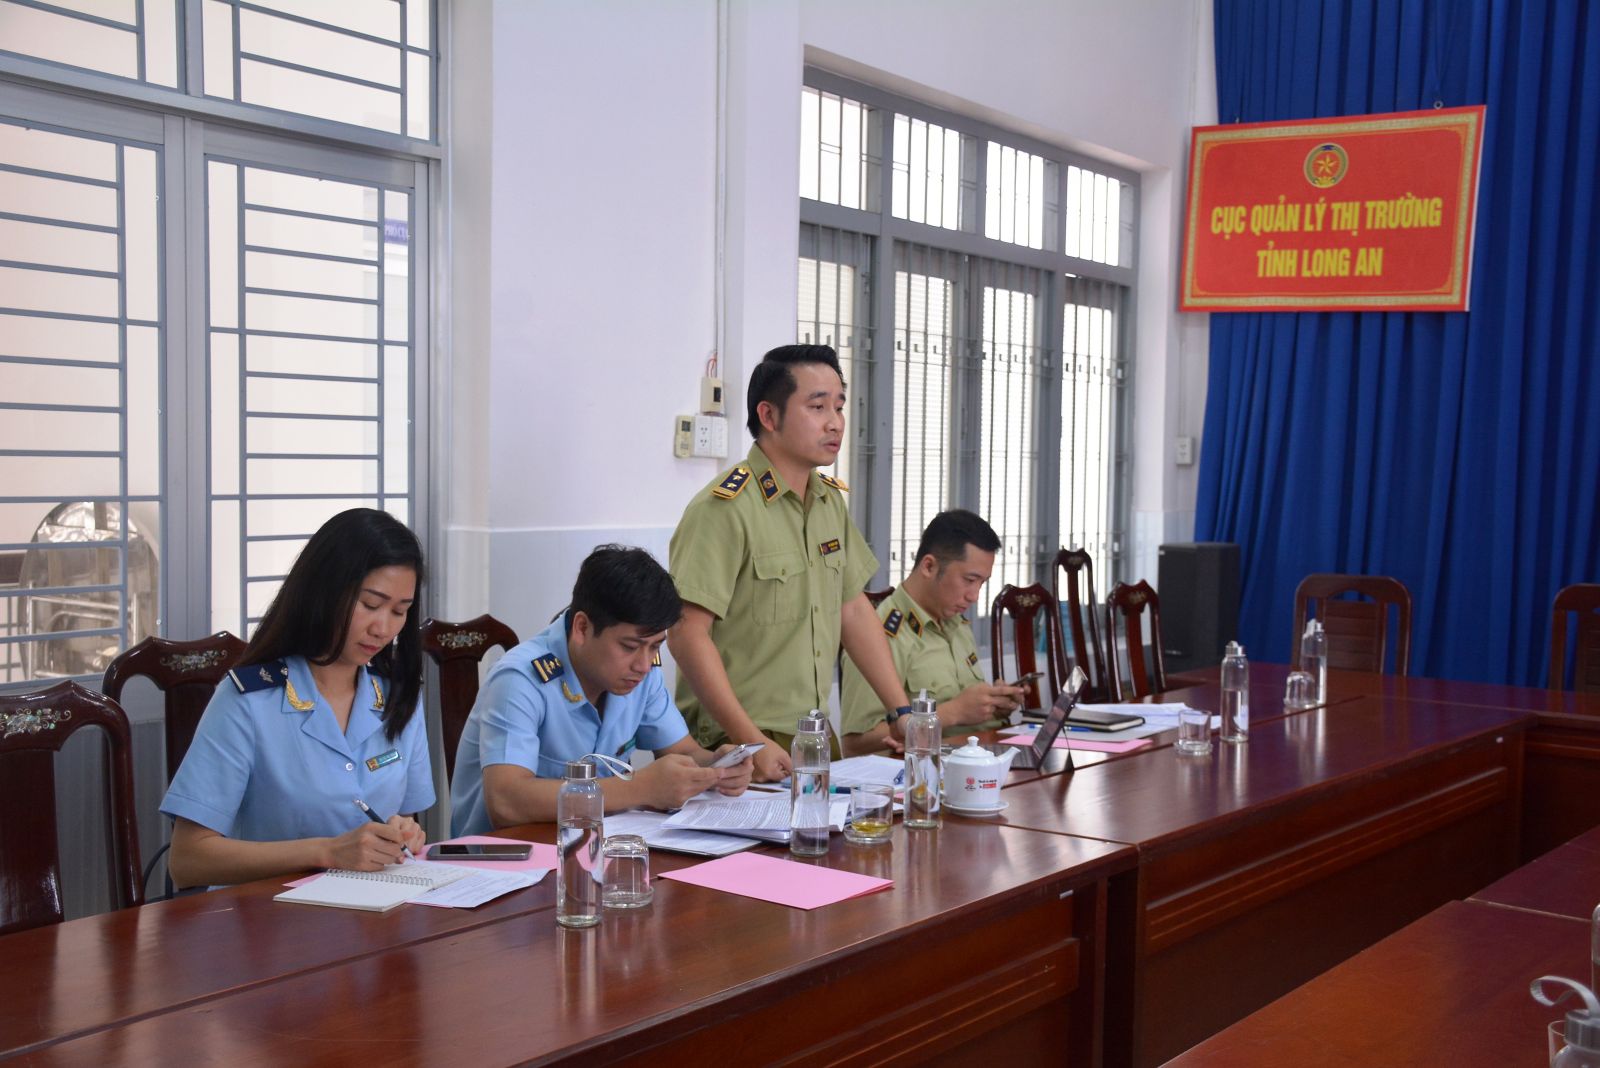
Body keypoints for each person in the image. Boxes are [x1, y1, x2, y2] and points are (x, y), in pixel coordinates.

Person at [668, 344, 912, 781]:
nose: (835, 421)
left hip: (813, 739)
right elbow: (686, 633)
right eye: (817, 406)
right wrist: (751, 742)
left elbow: (852, 608)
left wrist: (901, 711)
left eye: (839, 406)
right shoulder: (724, 508)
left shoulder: (828, 502)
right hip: (736, 748)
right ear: (769, 416)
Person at [161, 508, 432, 888]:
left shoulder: (398, 696)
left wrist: (404, 833)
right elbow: (188, 860)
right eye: (370, 605)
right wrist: (326, 852)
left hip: (375, 915)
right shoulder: (251, 700)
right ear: (325, 592)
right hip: (267, 923)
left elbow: (406, 816)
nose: (383, 628)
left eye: (399, 612)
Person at [450, 545, 752, 835]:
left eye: (655, 647)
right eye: (630, 646)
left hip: (594, 848)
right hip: (508, 863)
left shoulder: (641, 673)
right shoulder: (521, 679)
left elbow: (683, 750)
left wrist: (716, 767)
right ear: (581, 628)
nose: (644, 665)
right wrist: (641, 788)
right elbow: (506, 802)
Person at [839, 510, 1028, 753]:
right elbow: (855, 744)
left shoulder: (956, 624)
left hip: (981, 759)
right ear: (929, 566)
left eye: (982, 583)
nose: (974, 596)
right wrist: (954, 713)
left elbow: (968, 714)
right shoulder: (880, 634)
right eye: (969, 580)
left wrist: (992, 705)